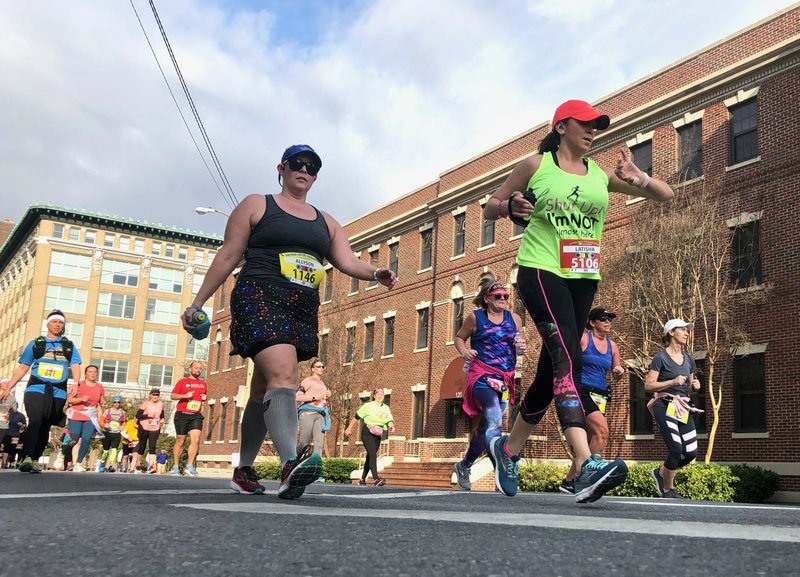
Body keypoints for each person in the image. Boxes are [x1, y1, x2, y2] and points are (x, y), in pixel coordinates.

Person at [483, 100, 675, 503]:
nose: (592, 131)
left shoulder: (600, 175)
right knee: (568, 359)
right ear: (561, 126)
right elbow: (489, 206)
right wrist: (508, 207)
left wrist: (640, 178)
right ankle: (586, 463)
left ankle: (508, 449)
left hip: (583, 277)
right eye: (585, 124)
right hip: (540, 270)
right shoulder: (536, 166)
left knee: (552, 368)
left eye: (596, 126)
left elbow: (666, 194)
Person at [181, 144, 396, 498]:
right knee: (285, 375)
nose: (305, 170)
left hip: (300, 307)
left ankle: (244, 470)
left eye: (312, 167)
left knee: (263, 390)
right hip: (259, 295)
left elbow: (347, 260)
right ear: (281, 168)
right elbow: (229, 253)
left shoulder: (325, 221)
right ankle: (290, 464)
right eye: (298, 163)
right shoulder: (256, 204)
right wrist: (197, 302)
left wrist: (376, 272)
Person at [452, 279, 525, 491]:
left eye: (505, 296)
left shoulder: (515, 318)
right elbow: (459, 338)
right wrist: (464, 351)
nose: (503, 299)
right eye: (497, 296)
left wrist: (521, 347)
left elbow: (518, 342)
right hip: (482, 374)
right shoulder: (476, 317)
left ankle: (464, 465)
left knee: (487, 426)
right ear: (487, 298)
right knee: (494, 416)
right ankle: (500, 471)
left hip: (504, 378)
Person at [0, 309, 82, 473]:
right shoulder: (37, 343)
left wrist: (76, 382)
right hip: (36, 389)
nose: (58, 325)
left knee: (45, 426)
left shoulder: (68, 345)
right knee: (36, 420)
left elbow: (75, 364)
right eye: (55, 322)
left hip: (58, 393)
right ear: (48, 324)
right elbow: (23, 367)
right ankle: (28, 458)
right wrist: (9, 387)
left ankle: (35, 459)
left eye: (61, 323)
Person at [559, 307, 625, 494]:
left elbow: (616, 369)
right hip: (582, 391)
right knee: (602, 432)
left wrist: (619, 372)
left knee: (589, 440)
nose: (607, 322)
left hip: (601, 395)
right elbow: (567, 357)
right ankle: (586, 475)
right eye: (603, 319)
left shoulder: (613, 346)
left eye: (609, 320)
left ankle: (569, 481)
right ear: (592, 322)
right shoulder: (584, 339)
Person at [645, 318, 703, 498]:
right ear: (671, 332)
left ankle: (661, 472)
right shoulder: (660, 358)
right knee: (676, 450)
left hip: (683, 406)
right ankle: (668, 489)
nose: (687, 333)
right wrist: (671, 381)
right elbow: (648, 386)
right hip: (664, 405)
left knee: (690, 452)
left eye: (687, 330)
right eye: (683, 330)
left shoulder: (688, 359)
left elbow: (688, 386)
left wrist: (694, 385)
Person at [345, 388, 395, 486]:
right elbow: (356, 417)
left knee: (370, 456)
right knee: (373, 454)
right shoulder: (368, 406)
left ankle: (362, 479)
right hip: (367, 432)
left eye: (382, 394)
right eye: (378, 394)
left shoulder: (386, 407)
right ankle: (376, 479)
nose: (380, 396)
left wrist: (391, 426)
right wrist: (349, 428)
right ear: (374, 396)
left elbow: (389, 419)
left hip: (378, 433)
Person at [170, 361, 207, 477]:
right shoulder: (183, 382)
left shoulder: (203, 384)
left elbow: (203, 396)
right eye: (196, 367)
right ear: (190, 369)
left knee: (195, 440)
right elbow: (173, 396)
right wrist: (185, 396)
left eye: (200, 368)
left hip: (195, 414)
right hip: (182, 414)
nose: (198, 370)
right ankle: (175, 466)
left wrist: (205, 397)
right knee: (180, 440)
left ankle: (190, 466)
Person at [66, 365, 106, 472]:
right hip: (77, 415)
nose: (93, 374)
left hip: (90, 417)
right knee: (73, 440)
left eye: (95, 372)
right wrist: (81, 399)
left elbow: (100, 402)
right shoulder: (78, 384)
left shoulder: (99, 387)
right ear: (86, 373)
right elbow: (70, 400)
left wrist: (102, 407)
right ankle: (63, 452)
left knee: (86, 439)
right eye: (90, 372)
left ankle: (78, 463)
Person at [296, 359, 331, 458]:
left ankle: (317, 467)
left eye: (322, 367)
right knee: (304, 444)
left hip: (320, 414)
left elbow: (322, 399)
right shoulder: (307, 381)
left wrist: (327, 396)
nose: (321, 369)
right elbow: (297, 397)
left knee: (319, 444)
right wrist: (314, 397)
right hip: (308, 413)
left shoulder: (323, 384)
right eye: (318, 366)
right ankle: (294, 461)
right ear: (313, 369)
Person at [135, 389, 164, 473]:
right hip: (144, 426)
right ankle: (138, 464)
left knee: (153, 446)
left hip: (155, 427)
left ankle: (151, 466)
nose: (155, 397)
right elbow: (138, 415)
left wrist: (162, 419)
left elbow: (162, 414)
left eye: (157, 395)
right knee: (142, 446)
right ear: (150, 395)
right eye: (154, 395)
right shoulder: (146, 403)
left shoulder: (161, 404)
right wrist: (148, 415)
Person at [97, 395, 126, 473]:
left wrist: (122, 427)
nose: (117, 403)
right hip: (107, 433)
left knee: (114, 450)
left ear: (120, 403)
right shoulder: (108, 411)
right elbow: (101, 420)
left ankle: (111, 465)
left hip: (116, 434)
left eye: (118, 402)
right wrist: (104, 425)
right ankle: (102, 464)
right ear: (113, 402)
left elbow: (124, 422)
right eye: (115, 402)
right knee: (106, 451)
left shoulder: (122, 412)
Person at [1, 404, 26, 469]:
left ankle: (11, 461)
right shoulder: (5, 414)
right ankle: (4, 463)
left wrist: (21, 425)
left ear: (17, 407)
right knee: (6, 448)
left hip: (15, 435)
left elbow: (24, 426)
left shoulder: (20, 415)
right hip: (6, 433)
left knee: (13, 448)